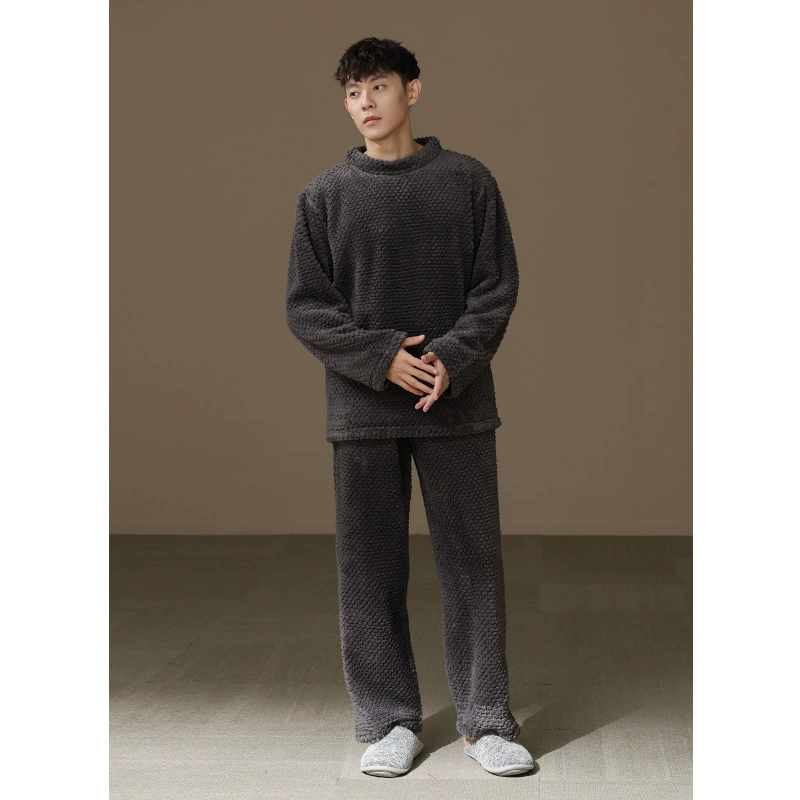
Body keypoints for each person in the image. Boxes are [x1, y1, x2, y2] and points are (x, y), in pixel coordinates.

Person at [285, 36, 534, 778]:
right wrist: (383, 357)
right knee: (368, 572)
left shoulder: (468, 182)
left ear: (413, 91)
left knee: (473, 566)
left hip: (455, 403)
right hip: (363, 409)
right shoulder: (323, 196)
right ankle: (388, 720)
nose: (365, 103)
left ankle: (486, 720)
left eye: (379, 86)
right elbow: (307, 308)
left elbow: (496, 289)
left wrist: (449, 360)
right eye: (352, 92)